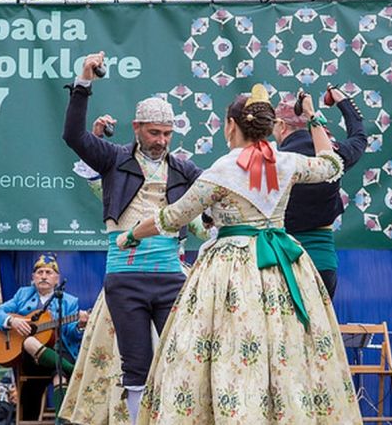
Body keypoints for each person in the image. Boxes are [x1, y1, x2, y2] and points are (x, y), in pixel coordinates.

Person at [116, 84, 362, 423]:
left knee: (226, 349)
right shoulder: (288, 163)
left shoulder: (221, 171)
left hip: (229, 272)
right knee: (284, 350)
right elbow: (332, 165)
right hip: (280, 265)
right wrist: (313, 117)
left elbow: (171, 217)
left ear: (230, 125)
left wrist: (130, 234)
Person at [60, 51, 202, 421]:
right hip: (125, 277)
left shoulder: (185, 169)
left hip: (170, 276)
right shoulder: (113, 159)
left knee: (179, 359)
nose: (161, 140)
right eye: (155, 132)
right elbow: (72, 135)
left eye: (168, 134)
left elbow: (216, 199)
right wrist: (84, 82)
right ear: (137, 127)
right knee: (136, 365)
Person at [273, 87, 367, 299]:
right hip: (322, 262)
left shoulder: (276, 162)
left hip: (284, 260)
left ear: (281, 125)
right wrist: (342, 100)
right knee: (320, 330)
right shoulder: (333, 156)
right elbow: (359, 137)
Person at [0, 253, 88, 421]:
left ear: (57, 279)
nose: (44, 276)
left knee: (60, 376)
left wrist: (80, 325)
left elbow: (72, 335)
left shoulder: (69, 301)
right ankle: (76, 372)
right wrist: (12, 321)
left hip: (59, 351)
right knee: (30, 341)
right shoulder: (23, 294)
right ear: (33, 277)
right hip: (30, 358)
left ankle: (61, 422)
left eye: (49, 273)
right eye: (40, 272)